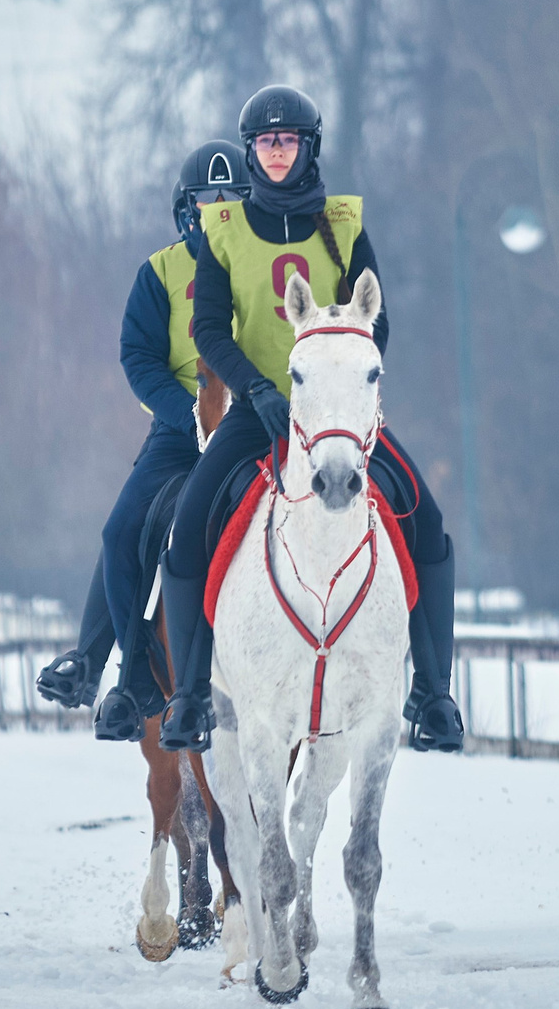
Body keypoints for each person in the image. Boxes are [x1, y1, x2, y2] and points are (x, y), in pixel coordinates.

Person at [155, 84, 462, 756]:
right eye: (265, 142)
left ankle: (433, 693)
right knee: (188, 528)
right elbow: (208, 326)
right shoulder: (225, 230)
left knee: (427, 521)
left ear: (308, 147)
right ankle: (190, 696)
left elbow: (378, 322)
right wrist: (257, 390)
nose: (275, 152)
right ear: (250, 149)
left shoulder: (344, 226)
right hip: (259, 408)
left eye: (287, 140)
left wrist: (347, 397)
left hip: (339, 421)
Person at [34, 140, 247, 739]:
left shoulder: (265, 263)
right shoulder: (159, 272)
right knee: (123, 528)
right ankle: (107, 669)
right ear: (184, 209)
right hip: (182, 428)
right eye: (204, 201)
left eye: (228, 201)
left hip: (259, 424)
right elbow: (139, 356)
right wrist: (190, 415)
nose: (214, 212)